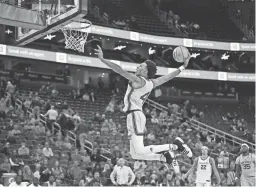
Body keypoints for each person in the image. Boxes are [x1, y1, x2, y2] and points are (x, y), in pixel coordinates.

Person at [95, 45, 192, 165]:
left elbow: (119, 70)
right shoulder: (152, 83)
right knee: (134, 154)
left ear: (145, 71)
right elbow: (168, 77)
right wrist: (183, 67)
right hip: (136, 115)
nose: (138, 66)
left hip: (135, 115)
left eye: (141, 66)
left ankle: (175, 146)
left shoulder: (138, 80)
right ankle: (163, 157)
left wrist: (103, 60)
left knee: (140, 150)